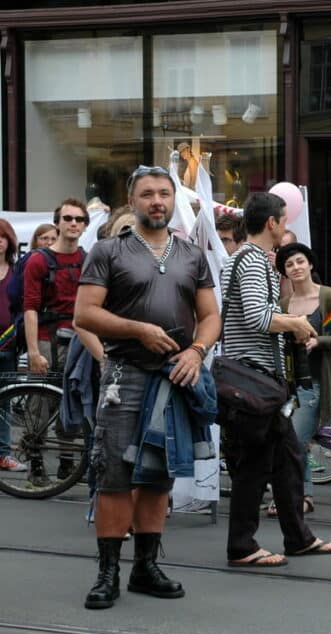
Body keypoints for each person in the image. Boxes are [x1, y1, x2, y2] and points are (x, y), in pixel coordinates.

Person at [74, 164, 220, 609]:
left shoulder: (191, 253)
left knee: (157, 476)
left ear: (173, 199)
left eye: (164, 193)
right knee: (115, 476)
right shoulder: (108, 251)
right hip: (124, 375)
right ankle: (106, 574)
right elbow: (85, 314)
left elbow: (211, 315)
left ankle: (145, 567)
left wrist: (196, 351)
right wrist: (137, 329)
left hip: (174, 376)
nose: (157, 201)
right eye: (147, 194)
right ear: (132, 201)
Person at [221, 192, 331, 567]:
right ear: (271, 223)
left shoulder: (245, 259)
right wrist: (296, 323)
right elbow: (258, 318)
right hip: (253, 379)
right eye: (283, 219)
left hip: (255, 380)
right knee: (255, 465)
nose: (286, 225)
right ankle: (242, 545)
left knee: (287, 459)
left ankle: (298, 537)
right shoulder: (253, 261)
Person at [270, 242, 331, 516]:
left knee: (296, 441)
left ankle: (299, 496)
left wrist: (318, 341)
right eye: (289, 264)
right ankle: (299, 494)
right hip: (288, 385)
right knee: (286, 441)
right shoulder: (283, 304)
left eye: (300, 261)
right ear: (285, 273)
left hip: (316, 382)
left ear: (310, 264)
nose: (296, 267)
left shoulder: (328, 297)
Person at [24, 198, 90, 376]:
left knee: (80, 398)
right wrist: (34, 352)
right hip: (48, 340)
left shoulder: (88, 259)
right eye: (67, 218)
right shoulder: (38, 260)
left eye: (79, 220)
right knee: (42, 399)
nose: (73, 223)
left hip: (83, 340)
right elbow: (30, 308)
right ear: (57, 224)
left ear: (85, 226)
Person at [0, 218, 25, 471]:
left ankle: (3, 454)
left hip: (7, 347)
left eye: (2, 236)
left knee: (4, 402)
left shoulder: (17, 271)